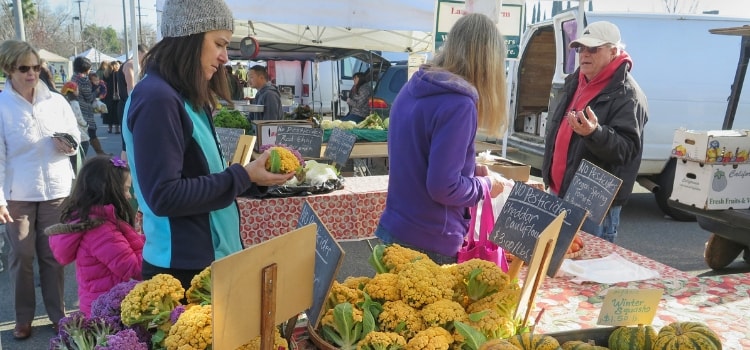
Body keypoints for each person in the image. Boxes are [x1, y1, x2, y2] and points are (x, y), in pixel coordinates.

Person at [123, 0, 295, 290]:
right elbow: (164, 196)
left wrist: (253, 179)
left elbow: (201, 173)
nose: (225, 57)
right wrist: (242, 176)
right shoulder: (157, 99)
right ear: (189, 39)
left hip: (209, 260)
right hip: (183, 270)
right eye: (219, 44)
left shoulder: (184, 97)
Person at [374, 13, 510, 264]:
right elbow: (443, 187)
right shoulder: (459, 103)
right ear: (488, 61)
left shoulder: (412, 87)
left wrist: (473, 170)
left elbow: (418, 157)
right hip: (430, 240)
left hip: (396, 228)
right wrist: (486, 186)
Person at [0, 39, 80, 340]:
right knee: (21, 256)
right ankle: (23, 318)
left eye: (36, 67)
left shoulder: (56, 102)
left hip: (56, 190)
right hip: (17, 193)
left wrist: (68, 146)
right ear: (9, 69)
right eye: (25, 68)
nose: (32, 73)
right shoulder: (2, 106)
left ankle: (58, 315)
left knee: (53, 256)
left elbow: (74, 135)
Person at [541, 21, 648, 243]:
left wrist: (594, 133)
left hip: (593, 205)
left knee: (588, 273)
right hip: (559, 194)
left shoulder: (628, 94)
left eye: (593, 49)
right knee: (558, 270)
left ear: (613, 51)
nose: (584, 55)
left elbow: (627, 150)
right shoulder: (576, 81)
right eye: (581, 49)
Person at [45, 156, 144, 317]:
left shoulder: (99, 222)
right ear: (110, 192)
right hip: (108, 311)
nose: (129, 196)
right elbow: (134, 269)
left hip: (98, 304)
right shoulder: (103, 232)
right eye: (126, 190)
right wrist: (154, 243)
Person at [73, 56, 108, 156]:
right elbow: (89, 97)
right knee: (90, 132)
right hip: (85, 111)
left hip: (76, 109)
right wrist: (96, 91)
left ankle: (99, 153)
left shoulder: (74, 77)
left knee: (86, 134)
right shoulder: (83, 80)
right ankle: (100, 154)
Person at [61, 81, 91, 168]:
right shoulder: (74, 103)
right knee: (80, 154)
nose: (78, 91)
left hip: (69, 132)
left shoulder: (65, 101)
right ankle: (78, 171)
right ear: (73, 91)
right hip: (79, 131)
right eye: (77, 89)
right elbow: (79, 118)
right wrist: (86, 124)